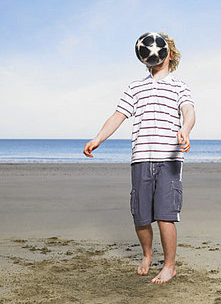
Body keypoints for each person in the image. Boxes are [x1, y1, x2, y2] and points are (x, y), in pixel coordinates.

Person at [83, 32, 196, 284]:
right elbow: (117, 116)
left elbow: (188, 111)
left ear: (167, 53)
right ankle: (147, 255)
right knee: (142, 215)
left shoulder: (180, 86)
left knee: (166, 214)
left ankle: (169, 266)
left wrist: (185, 130)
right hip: (141, 158)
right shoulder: (135, 87)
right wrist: (98, 139)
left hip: (169, 159)